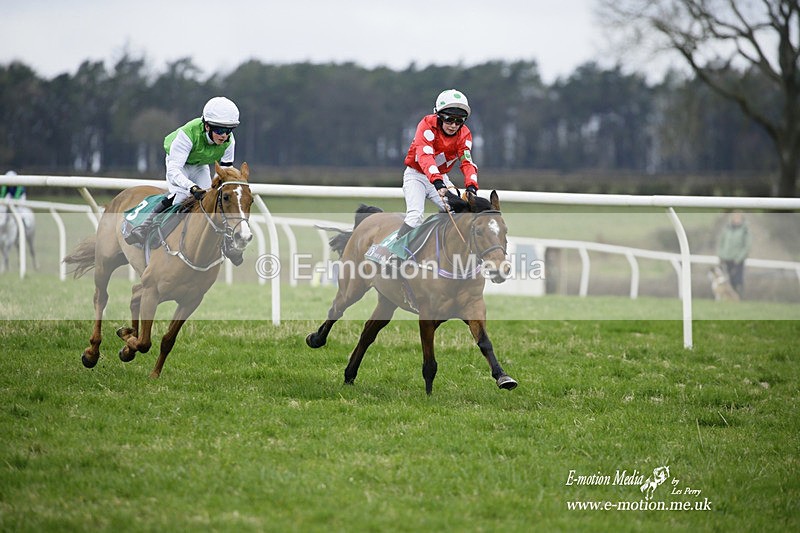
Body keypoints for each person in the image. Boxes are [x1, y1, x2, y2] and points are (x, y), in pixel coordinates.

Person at [125, 96, 240, 245]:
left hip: (200, 166)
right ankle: (144, 227)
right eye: (219, 129)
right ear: (207, 126)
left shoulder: (229, 141)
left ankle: (223, 241)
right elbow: (174, 171)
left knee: (209, 199)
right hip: (179, 165)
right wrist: (191, 187)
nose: (224, 135)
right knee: (181, 195)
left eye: (228, 130)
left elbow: (225, 172)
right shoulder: (188, 134)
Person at [396, 88, 479, 243]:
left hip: (440, 178)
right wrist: (438, 183)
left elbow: (467, 163)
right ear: (438, 115)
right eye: (449, 119)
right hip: (417, 176)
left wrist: (471, 187)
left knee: (461, 214)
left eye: (459, 120)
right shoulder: (427, 125)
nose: (454, 125)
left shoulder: (464, 135)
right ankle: (393, 251)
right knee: (415, 216)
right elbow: (425, 157)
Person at [717, 210, 751, 298]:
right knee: (728, 280)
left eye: (738, 217)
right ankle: (729, 298)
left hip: (737, 260)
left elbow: (747, 246)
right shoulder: (727, 228)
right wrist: (721, 255)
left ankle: (739, 298)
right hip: (726, 259)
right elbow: (721, 242)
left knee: (737, 280)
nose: (736, 219)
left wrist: (739, 258)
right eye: (735, 217)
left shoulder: (745, 230)